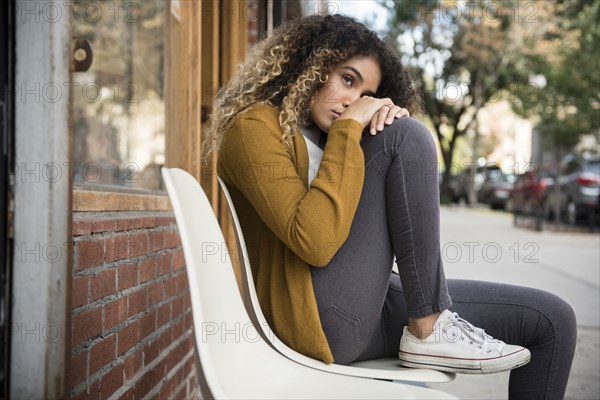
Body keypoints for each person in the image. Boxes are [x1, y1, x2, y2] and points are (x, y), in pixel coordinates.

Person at [205, 14, 576, 399]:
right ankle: (429, 327)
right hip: (317, 320)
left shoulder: (329, 136)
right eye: (347, 79)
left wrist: (366, 130)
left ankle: (430, 322)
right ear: (310, 64)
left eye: (366, 94)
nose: (353, 100)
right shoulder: (254, 127)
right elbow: (314, 241)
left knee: (551, 320)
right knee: (408, 137)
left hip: (368, 305)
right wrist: (351, 130)